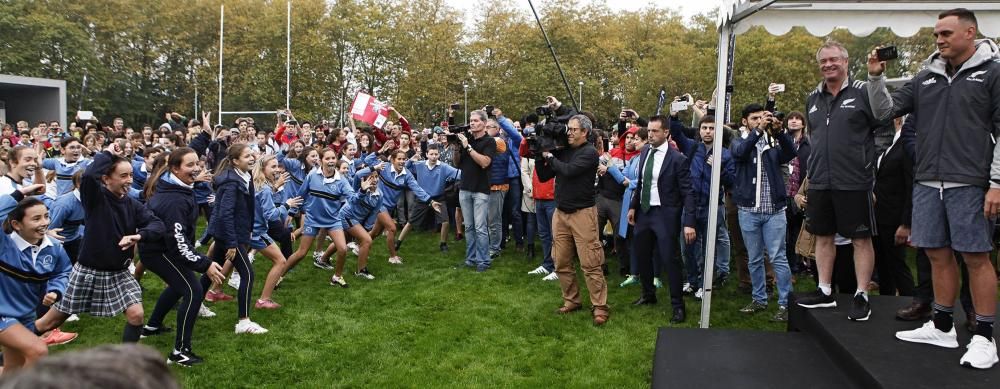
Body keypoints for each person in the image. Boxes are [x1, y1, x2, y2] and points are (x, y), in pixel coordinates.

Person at [867, 8, 999, 369]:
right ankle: (942, 326)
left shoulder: (994, 72)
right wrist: (876, 78)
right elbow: (884, 112)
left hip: (971, 182)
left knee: (976, 257)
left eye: (946, 33)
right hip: (927, 180)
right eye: (936, 34)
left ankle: (985, 337)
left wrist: (997, 183)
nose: (939, 39)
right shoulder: (926, 75)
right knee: (936, 253)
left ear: (970, 33)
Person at [33, 143, 165, 343]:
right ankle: (8, 349)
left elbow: (157, 225)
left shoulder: (132, 204)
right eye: (123, 176)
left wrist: (139, 236)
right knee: (49, 322)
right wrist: (107, 153)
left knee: (136, 315)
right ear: (106, 179)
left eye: (130, 175)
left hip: (119, 273)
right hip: (88, 271)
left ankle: (128, 364)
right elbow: (88, 176)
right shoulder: (95, 199)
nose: (129, 180)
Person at [795, 40, 880, 322]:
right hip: (820, 180)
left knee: (860, 238)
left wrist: (867, 163)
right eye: (823, 61)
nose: (828, 65)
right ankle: (824, 289)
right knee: (822, 235)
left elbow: (882, 129)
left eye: (834, 60)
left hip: (854, 180)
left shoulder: (863, 92)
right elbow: (814, 136)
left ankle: (861, 294)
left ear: (846, 62)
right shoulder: (812, 98)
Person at [137, 147, 226, 366]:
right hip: (159, 252)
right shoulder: (174, 200)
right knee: (193, 290)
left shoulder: (180, 187)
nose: (196, 169)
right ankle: (180, 352)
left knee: (179, 286)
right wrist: (204, 263)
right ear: (175, 169)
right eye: (190, 165)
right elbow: (177, 243)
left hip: (163, 248)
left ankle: (152, 327)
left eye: (198, 163)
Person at [537, 114, 610, 326]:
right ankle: (571, 300)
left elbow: (568, 171)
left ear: (585, 132)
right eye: (568, 129)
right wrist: (541, 154)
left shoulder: (589, 153)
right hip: (561, 214)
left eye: (573, 130)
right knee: (560, 260)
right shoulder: (564, 150)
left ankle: (600, 307)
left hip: (583, 214)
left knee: (591, 262)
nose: (568, 133)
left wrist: (550, 157)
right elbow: (544, 175)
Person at [626, 115, 696, 324]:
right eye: (648, 131)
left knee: (670, 260)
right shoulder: (646, 151)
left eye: (655, 131)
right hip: (644, 213)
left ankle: (678, 306)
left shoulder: (678, 159)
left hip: (665, 215)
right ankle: (648, 295)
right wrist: (633, 206)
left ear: (666, 132)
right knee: (642, 254)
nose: (650, 135)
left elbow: (688, 192)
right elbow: (641, 183)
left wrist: (689, 222)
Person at [730, 104, 796, 322]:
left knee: (778, 257)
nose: (760, 121)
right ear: (745, 122)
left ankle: (786, 304)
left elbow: (791, 152)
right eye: (754, 118)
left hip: (774, 211)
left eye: (762, 117)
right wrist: (758, 131)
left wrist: (779, 131)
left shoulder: (772, 143)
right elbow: (739, 153)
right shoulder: (739, 141)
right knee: (754, 258)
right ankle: (759, 298)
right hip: (748, 210)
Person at [0, 189, 72, 373]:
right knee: (38, 350)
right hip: (3, 315)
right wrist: (17, 194)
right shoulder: (4, 243)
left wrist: (56, 291)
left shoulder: (54, 248)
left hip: (25, 316)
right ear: (16, 224)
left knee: (13, 369)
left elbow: (62, 272)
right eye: (36, 219)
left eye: (46, 216)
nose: (45, 223)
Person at [202, 143, 268, 334]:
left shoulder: (244, 176)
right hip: (230, 235)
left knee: (210, 270)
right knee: (248, 274)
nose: (251, 158)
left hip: (233, 232)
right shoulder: (231, 182)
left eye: (251, 154)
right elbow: (225, 213)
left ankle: (195, 303)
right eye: (246, 156)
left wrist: (247, 229)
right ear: (235, 161)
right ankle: (243, 321)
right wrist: (232, 242)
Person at [669, 112, 735, 298]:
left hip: (712, 206)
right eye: (704, 128)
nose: (708, 132)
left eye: (712, 128)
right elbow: (676, 133)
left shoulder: (726, 154)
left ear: (718, 131)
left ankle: (705, 284)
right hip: (690, 205)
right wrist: (674, 117)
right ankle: (692, 280)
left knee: (708, 249)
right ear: (699, 131)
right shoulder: (692, 147)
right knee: (687, 246)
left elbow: (731, 180)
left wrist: (718, 169)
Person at [284, 151, 357, 285]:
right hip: (313, 219)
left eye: (333, 158)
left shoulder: (341, 180)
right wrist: (291, 212)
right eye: (327, 158)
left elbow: (352, 197)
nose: (331, 161)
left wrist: (362, 191)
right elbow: (301, 194)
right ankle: (280, 274)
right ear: (321, 160)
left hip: (332, 220)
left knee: (342, 249)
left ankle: (337, 277)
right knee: (302, 253)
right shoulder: (312, 175)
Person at [356, 149, 439, 265]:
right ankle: (393, 256)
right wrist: (379, 152)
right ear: (392, 160)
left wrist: (430, 201)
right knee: (392, 228)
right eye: (399, 159)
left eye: (403, 159)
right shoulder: (384, 167)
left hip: (389, 207)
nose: (402, 161)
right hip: (377, 203)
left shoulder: (407, 175)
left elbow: (417, 189)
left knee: (375, 232)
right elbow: (367, 160)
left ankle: (359, 246)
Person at [872, 116, 915, 298]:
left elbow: (910, 186)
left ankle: (911, 300)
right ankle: (886, 302)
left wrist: (906, 224)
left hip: (895, 218)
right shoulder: (886, 146)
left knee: (897, 264)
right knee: (883, 265)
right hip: (878, 217)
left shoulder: (906, 146)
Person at [397, 144, 461, 252]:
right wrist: (411, 160)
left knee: (445, 221)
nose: (434, 156)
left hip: (438, 198)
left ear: (439, 155)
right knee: (411, 222)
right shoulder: (419, 165)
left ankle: (443, 244)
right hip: (423, 198)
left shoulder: (444, 167)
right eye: (431, 154)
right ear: (426, 155)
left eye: (436, 154)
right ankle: (398, 242)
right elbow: (403, 168)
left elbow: (459, 174)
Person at [455, 110, 497, 272]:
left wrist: (468, 147)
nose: (472, 123)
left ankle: (484, 261)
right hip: (464, 187)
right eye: (471, 121)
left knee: (480, 227)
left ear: (484, 123)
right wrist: (458, 148)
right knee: (469, 227)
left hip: (481, 189)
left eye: (475, 121)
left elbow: (485, 163)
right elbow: (457, 163)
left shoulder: (489, 142)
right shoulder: (468, 140)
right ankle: (471, 259)